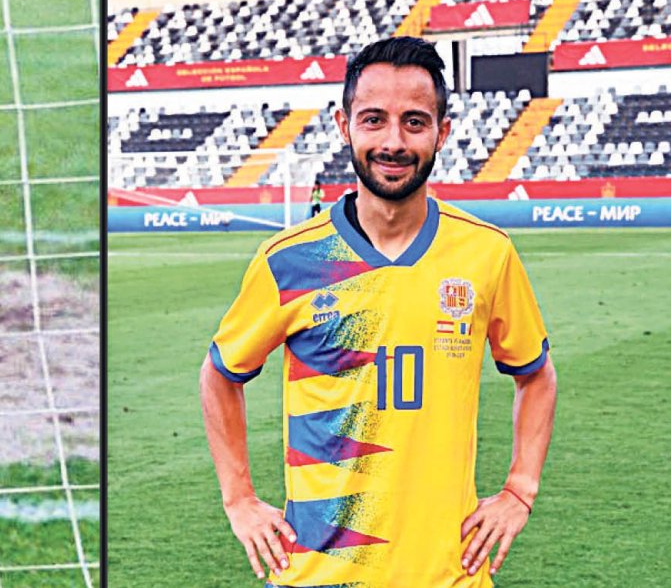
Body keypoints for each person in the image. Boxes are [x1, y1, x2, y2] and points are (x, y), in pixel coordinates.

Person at [200, 37, 557, 586]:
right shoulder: (289, 260)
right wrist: (239, 500)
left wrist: (519, 490)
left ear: (443, 131)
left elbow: (536, 375)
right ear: (345, 126)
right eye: (374, 120)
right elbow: (221, 375)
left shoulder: (487, 254)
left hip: (449, 574)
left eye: (414, 122)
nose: (394, 141)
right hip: (319, 575)